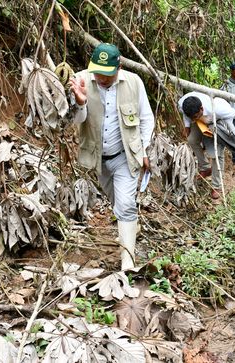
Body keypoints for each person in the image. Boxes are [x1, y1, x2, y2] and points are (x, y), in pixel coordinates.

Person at [68, 43, 155, 270]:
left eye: (106, 74)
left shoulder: (134, 82)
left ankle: (128, 262)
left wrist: (144, 150)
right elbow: (75, 121)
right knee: (118, 203)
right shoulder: (82, 80)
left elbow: (146, 118)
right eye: (98, 72)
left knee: (125, 204)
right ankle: (130, 230)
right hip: (98, 159)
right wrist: (80, 101)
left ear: (118, 67)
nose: (101, 78)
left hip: (125, 156)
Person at [179, 92, 235, 200]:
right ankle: (205, 167)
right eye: (191, 117)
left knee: (216, 154)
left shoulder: (218, 109)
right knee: (192, 140)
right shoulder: (183, 104)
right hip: (200, 121)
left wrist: (230, 137)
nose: (193, 119)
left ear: (201, 108)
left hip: (216, 121)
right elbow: (187, 116)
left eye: (195, 116)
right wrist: (187, 126)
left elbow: (230, 116)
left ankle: (217, 186)